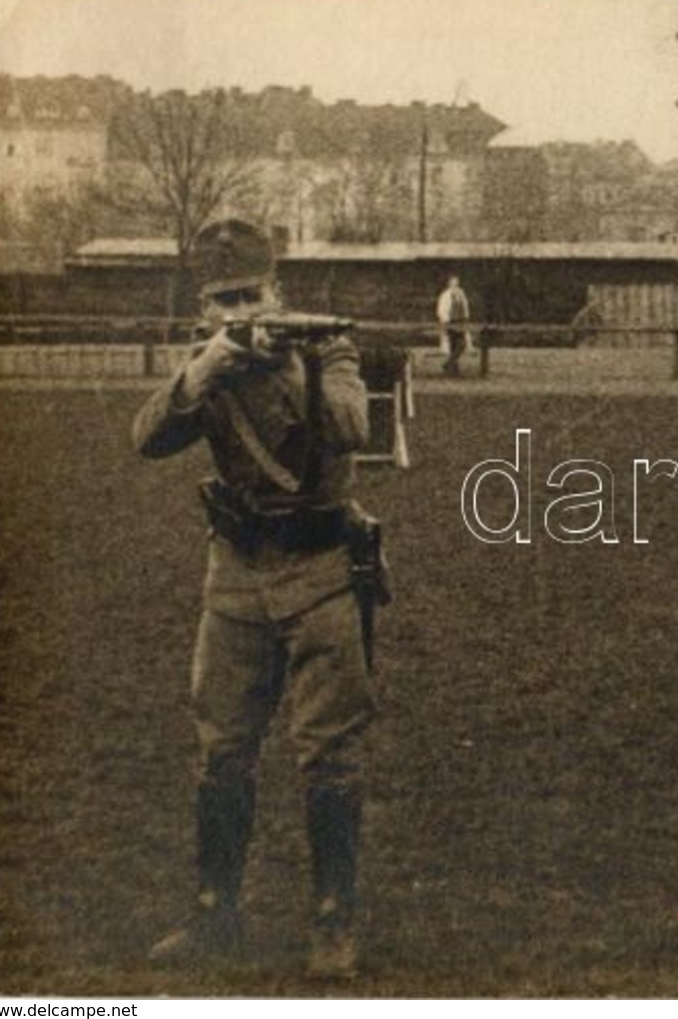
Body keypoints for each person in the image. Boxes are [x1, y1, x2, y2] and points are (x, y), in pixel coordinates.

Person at [134, 219, 383, 979]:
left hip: (319, 570)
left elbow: (351, 425)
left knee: (328, 754)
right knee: (222, 749)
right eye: (224, 301)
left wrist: (282, 366)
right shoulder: (206, 361)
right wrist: (203, 371)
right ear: (205, 309)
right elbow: (145, 436)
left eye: (251, 295)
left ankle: (333, 923)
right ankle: (216, 913)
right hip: (236, 574)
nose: (240, 311)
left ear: (276, 291)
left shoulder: (325, 348)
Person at [436, 274, 474, 376]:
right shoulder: (445, 295)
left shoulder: (461, 294)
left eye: (456, 282)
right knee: (454, 345)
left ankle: (449, 365)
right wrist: (445, 322)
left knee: (461, 344)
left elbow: (465, 307)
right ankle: (453, 368)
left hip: (460, 322)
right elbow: (441, 310)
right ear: (449, 283)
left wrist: (466, 318)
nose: (455, 284)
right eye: (453, 282)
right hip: (449, 322)